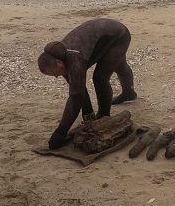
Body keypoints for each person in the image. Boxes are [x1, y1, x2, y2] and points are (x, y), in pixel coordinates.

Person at [38, 18, 137, 149]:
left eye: (54, 73)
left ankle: (104, 115)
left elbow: (76, 97)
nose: (56, 77)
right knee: (118, 64)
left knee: (100, 78)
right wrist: (88, 117)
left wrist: (60, 132)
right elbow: (78, 89)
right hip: (103, 36)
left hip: (118, 36)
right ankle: (128, 93)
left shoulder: (75, 60)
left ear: (59, 63)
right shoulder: (60, 57)